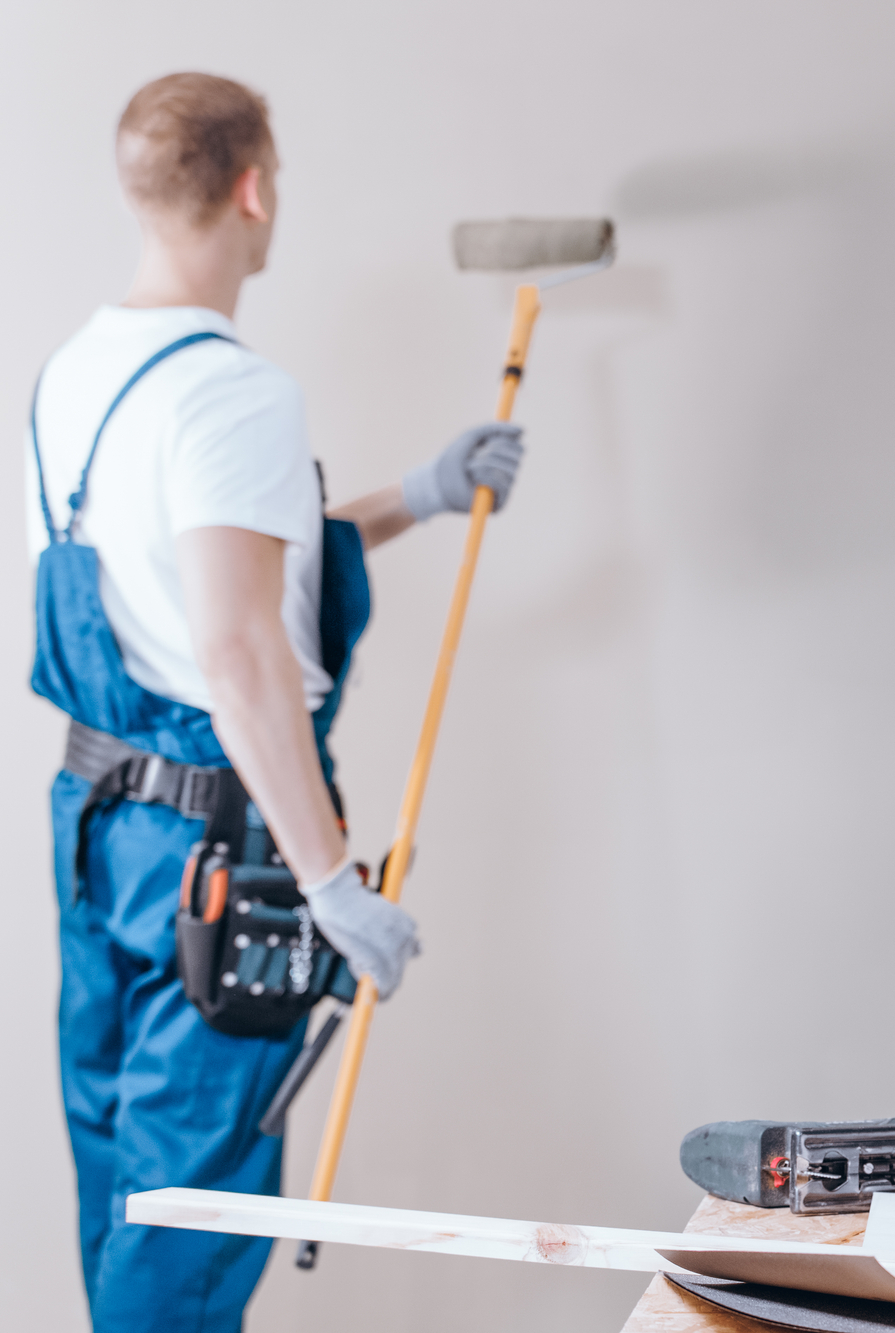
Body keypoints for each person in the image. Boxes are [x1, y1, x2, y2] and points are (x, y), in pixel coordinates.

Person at [27, 73, 527, 1331]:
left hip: (104, 820)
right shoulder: (237, 392)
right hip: (222, 849)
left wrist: (417, 490)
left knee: (123, 1182)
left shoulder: (77, 372)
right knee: (188, 1213)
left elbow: (218, 570)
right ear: (252, 188)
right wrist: (331, 884)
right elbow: (240, 649)